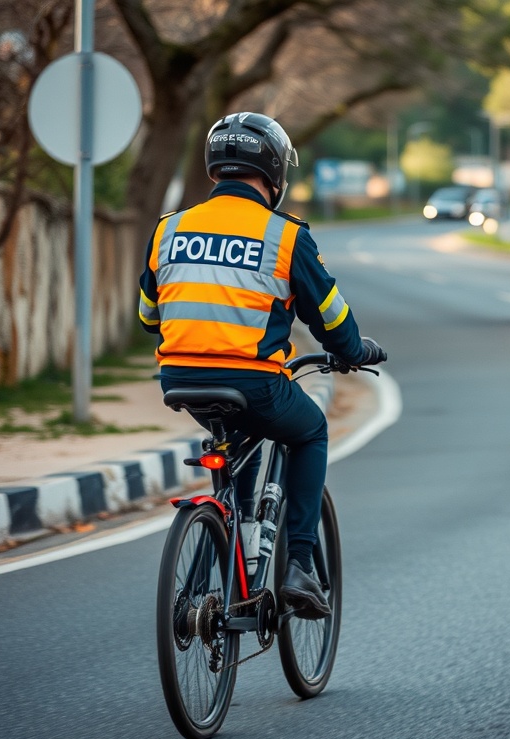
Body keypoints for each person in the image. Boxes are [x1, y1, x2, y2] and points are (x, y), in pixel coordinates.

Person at [138, 112, 386, 619]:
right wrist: (354, 351)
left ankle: (231, 540)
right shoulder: (284, 236)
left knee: (238, 448)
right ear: (274, 171)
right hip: (254, 383)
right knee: (311, 431)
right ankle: (299, 565)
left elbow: (148, 317)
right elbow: (330, 315)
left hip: (180, 379)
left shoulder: (169, 229)